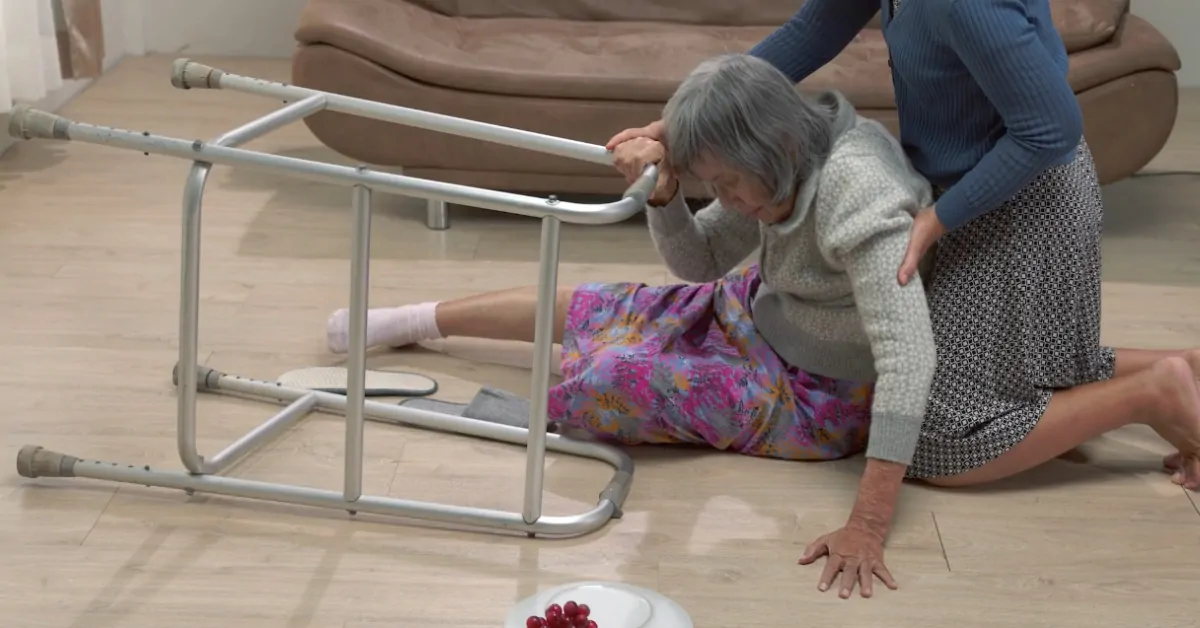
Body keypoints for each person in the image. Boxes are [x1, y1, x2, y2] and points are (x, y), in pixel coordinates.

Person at [604, 0, 1200, 599]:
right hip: (964, 189)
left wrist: (867, 523)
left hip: (1020, 202)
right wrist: (684, 127)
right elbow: (813, 29)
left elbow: (1052, 130)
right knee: (1019, 370)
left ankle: (1151, 394)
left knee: (942, 441)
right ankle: (1183, 371)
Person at [325, 53, 939, 559]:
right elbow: (700, 263)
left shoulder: (860, 192)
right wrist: (667, 193)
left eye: (725, 183)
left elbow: (909, 358)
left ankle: (500, 410)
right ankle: (415, 321)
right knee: (597, 305)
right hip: (759, 310)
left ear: (770, 145)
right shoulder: (783, 157)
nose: (722, 197)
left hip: (821, 394)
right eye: (713, 184)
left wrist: (867, 523)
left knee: (617, 376)